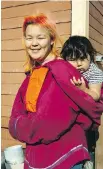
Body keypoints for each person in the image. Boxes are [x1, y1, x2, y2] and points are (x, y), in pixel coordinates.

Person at [9, 13, 103, 169]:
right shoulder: (34, 73)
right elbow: (16, 112)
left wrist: (19, 126)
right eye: (29, 38)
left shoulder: (61, 71)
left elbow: (47, 124)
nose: (34, 43)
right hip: (37, 155)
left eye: (40, 38)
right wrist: (18, 124)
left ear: (52, 39)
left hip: (64, 156)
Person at [61, 35, 103, 168]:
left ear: (90, 57)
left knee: (86, 143)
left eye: (83, 59)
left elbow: (95, 95)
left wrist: (83, 88)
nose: (78, 64)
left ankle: (87, 160)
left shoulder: (94, 72)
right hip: (71, 121)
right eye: (73, 59)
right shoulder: (66, 69)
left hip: (88, 121)